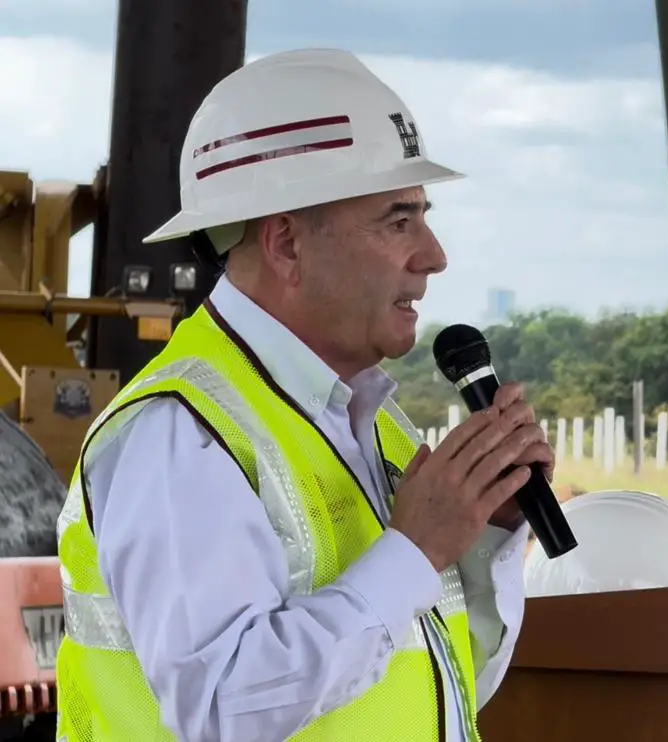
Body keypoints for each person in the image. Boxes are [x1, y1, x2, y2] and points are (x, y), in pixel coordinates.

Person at [53, 48, 549, 742]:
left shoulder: (373, 426)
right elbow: (226, 711)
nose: (434, 255)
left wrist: (484, 534)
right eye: (397, 219)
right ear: (286, 242)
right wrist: (413, 551)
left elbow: (442, 688)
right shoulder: (179, 435)